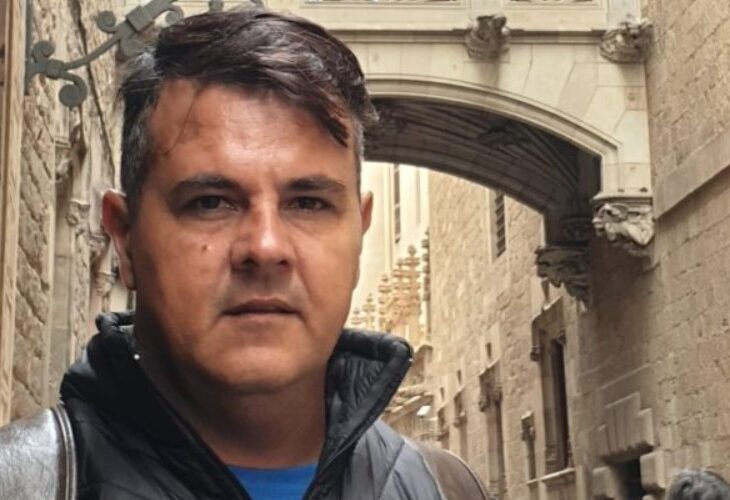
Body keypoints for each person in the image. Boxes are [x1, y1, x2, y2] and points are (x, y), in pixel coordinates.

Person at [0, 7, 489, 500]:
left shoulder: (445, 490)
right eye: (210, 202)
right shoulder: (20, 484)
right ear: (125, 238)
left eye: (308, 203)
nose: (265, 247)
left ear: (358, 235)